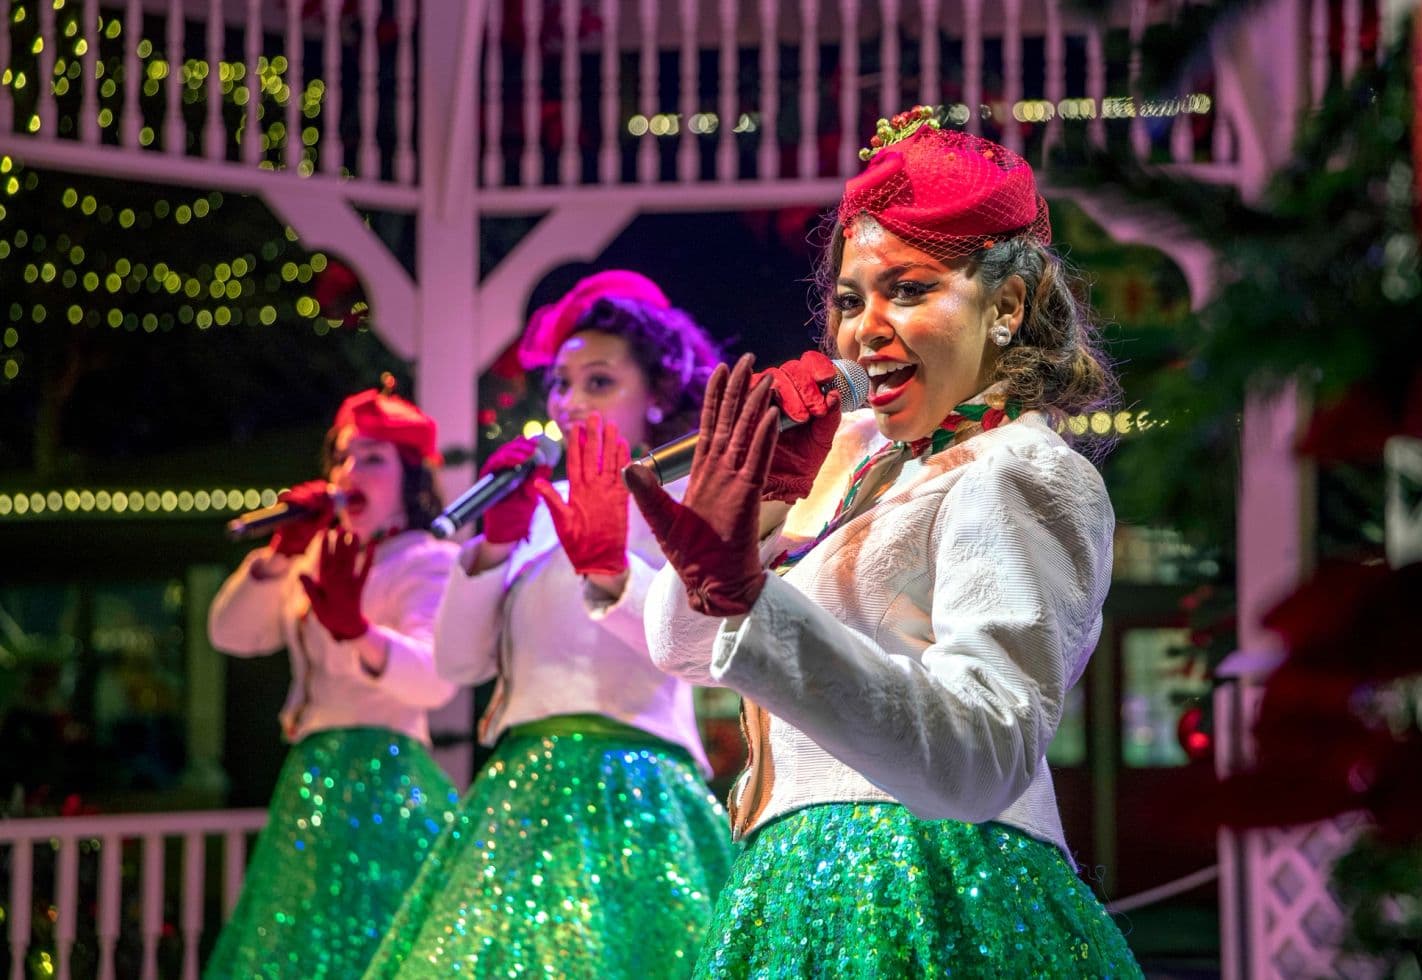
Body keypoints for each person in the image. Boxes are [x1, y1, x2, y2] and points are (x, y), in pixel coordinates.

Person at [628, 110, 1143, 976]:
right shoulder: (857, 470)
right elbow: (685, 648)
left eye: (907, 289)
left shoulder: (1020, 468)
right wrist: (755, 516)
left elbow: (987, 753)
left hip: (933, 894)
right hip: (791, 895)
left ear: (1006, 306)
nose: (864, 329)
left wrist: (752, 600)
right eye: (847, 300)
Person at [365, 271, 733, 978]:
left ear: (657, 394)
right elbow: (459, 667)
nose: (569, 403)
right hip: (521, 788)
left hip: (638, 790)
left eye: (598, 382)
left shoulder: (687, 499)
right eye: (560, 384)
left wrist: (610, 559)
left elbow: (701, 649)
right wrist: (495, 545)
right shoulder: (534, 509)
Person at [205, 381, 461, 980]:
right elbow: (231, 635)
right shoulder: (313, 554)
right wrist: (278, 553)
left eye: (372, 458)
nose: (350, 471)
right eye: (343, 457)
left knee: (383, 944)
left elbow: (433, 681)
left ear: (411, 476)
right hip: (312, 776)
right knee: (300, 947)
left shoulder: (428, 559)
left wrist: (357, 632)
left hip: (389, 776)